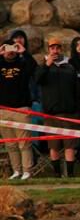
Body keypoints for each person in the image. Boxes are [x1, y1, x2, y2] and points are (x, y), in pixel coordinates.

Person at [34, 38, 80, 177]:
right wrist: (47, 65)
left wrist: (76, 109)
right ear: (49, 50)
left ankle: (70, 176)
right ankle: (57, 175)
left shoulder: (69, 67)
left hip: (69, 113)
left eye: (57, 48)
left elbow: (76, 89)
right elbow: (37, 80)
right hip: (51, 114)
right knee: (53, 146)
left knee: (70, 145)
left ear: (61, 49)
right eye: (52, 48)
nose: (55, 50)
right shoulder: (43, 66)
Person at [0, 42, 35, 180]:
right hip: (3, 110)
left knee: (24, 142)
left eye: (12, 48)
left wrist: (24, 52)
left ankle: (27, 171)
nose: (10, 51)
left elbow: (34, 69)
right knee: (10, 143)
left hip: (21, 108)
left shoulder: (22, 64)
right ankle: (16, 171)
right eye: (7, 48)